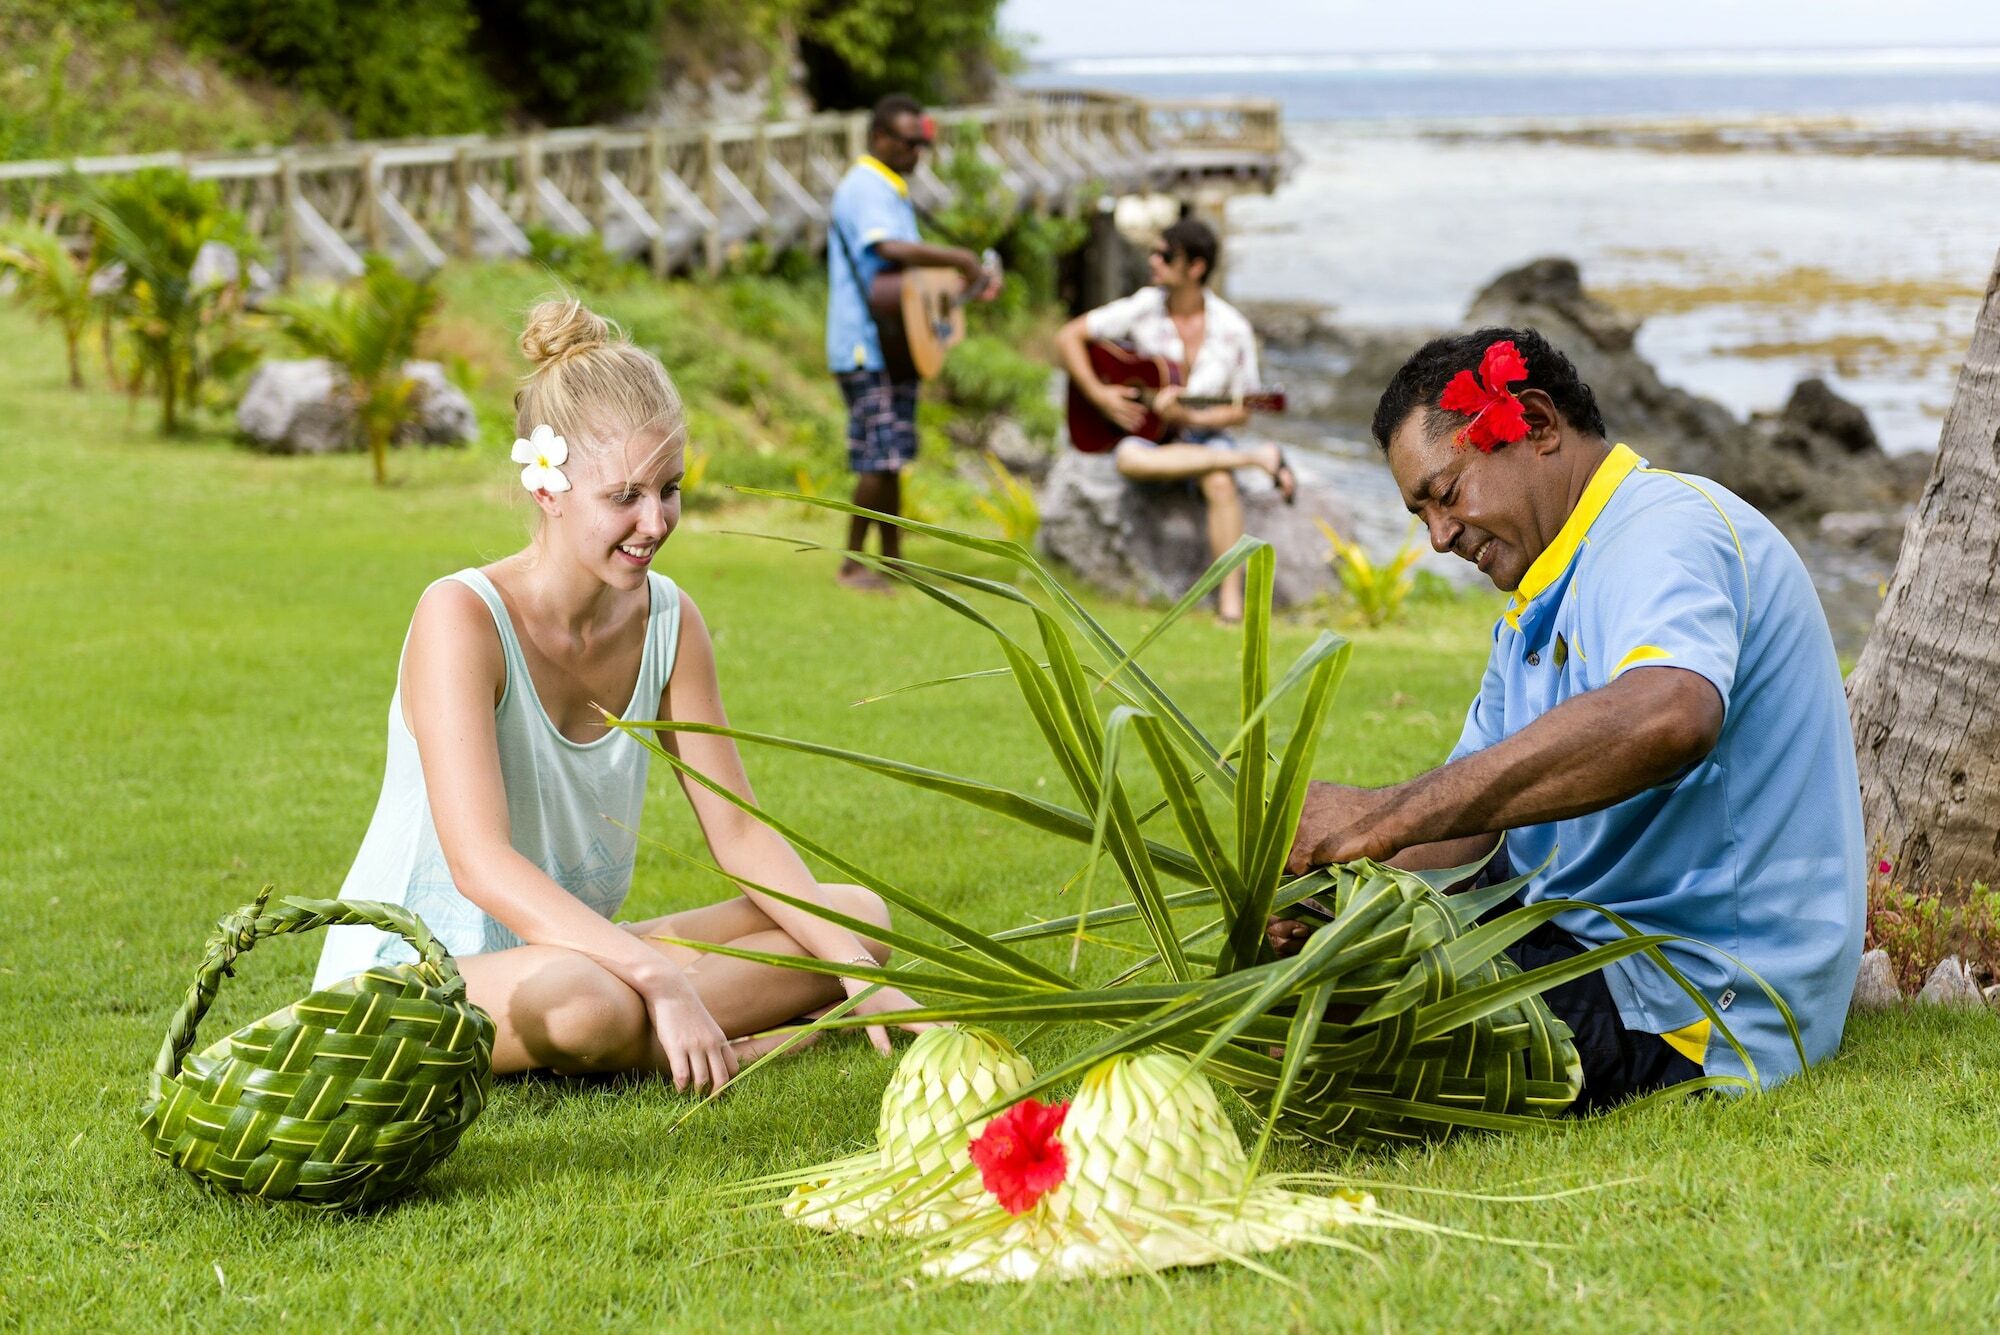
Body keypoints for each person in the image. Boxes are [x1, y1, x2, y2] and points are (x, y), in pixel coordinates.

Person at [313, 297, 927, 1092]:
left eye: (669, 488)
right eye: (624, 496)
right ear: (547, 488)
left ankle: (662, 1012)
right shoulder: (460, 617)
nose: (654, 521)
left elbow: (737, 830)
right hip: (414, 975)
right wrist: (659, 977)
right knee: (587, 1003)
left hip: (581, 949)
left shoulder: (670, 619)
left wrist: (856, 970)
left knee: (856, 920)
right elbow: (481, 863)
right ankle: (709, 1036)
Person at [1268, 327, 1864, 1108]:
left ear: (1538, 426)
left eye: (1446, 495)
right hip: (1593, 945)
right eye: (1422, 516)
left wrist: (1383, 814)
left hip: (1700, 1000)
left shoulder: (1661, 531)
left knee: (1348, 1033)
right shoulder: (1534, 608)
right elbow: (1467, 828)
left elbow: (1669, 713)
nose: (1441, 537)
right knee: (1327, 976)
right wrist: (1331, 886)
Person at [1054, 216, 1296, 624]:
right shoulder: (1144, 306)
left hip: (1203, 436)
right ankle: (1256, 459)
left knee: (1220, 485)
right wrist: (1101, 395)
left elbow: (1242, 410)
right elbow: (1068, 337)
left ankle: (1230, 604)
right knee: (1129, 460)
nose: (1153, 260)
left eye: (1165, 255)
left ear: (1195, 267)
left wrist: (1188, 415)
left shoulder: (1233, 329)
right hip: (1154, 439)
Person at [826, 92, 998, 591]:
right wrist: (962, 258)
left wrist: (963, 285)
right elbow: (886, 248)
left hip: (894, 342)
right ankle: (853, 564)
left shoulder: (891, 187)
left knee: (892, 456)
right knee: (876, 457)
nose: (916, 153)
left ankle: (894, 561)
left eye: (921, 145)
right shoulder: (864, 185)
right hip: (864, 345)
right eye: (907, 143)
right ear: (879, 137)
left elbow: (908, 284)